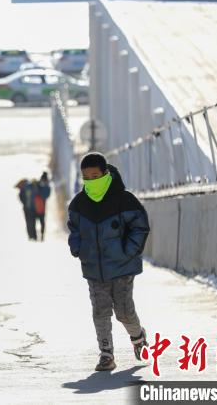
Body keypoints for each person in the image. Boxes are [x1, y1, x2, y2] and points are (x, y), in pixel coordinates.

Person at [67, 152, 150, 372]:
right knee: (100, 311)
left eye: (95, 176)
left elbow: (140, 227)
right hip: (94, 269)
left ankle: (138, 336)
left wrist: (128, 251)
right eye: (86, 177)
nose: (91, 181)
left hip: (122, 268)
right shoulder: (79, 204)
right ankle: (106, 354)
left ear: (105, 173)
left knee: (124, 311)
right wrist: (77, 247)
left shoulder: (125, 200)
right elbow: (74, 228)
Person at [32, 172, 51, 241]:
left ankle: (36, 236)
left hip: (36, 207)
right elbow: (46, 195)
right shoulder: (47, 186)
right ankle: (41, 236)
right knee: (42, 223)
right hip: (42, 207)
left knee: (35, 222)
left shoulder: (39, 184)